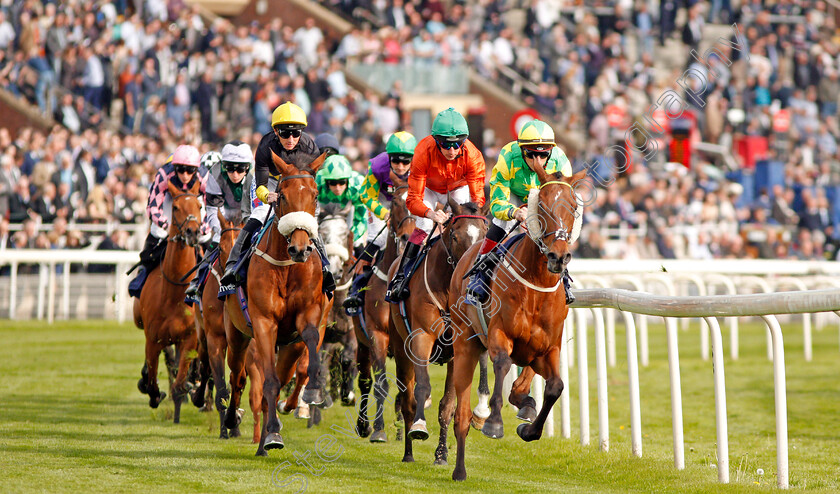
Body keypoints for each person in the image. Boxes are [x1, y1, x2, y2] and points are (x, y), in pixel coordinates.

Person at [219, 102, 335, 294]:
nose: (290, 139)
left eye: (295, 133)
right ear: (275, 131)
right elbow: (261, 185)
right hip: (272, 182)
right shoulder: (265, 146)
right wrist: (267, 196)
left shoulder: (309, 146)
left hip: (297, 184)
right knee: (259, 215)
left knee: (309, 219)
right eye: (284, 133)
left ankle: (325, 266)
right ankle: (233, 265)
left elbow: (310, 182)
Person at [464, 119, 575, 305]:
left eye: (543, 155)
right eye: (531, 155)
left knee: (557, 226)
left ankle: (564, 277)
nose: (538, 162)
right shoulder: (507, 157)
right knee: (501, 223)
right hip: (514, 196)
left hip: (543, 196)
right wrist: (514, 212)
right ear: (522, 150)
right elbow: (498, 203)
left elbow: (565, 202)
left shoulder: (561, 162)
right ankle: (480, 274)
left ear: (551, 152)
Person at [385, 108, 486, 302]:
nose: (452, 150)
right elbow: (412, 199)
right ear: (435, 141)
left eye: (457, 144)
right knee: (422, 227)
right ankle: (401, 277)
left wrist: (461, 215)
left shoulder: (473, 155)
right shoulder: (423, 151)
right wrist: (431, 214)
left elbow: (477, 200)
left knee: (468, 224)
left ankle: (480, 274)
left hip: (458, 189)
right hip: (430, 189)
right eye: (445, 145)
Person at [342, 130, 416, 311]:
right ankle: (357, 289)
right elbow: (366, 195)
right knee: (379, 238)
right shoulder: (378, 166)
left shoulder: (421, 167)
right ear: (389, 158)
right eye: (396, 161)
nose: (400, 166)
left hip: (410, 203)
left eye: (406, 161)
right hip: (382, 202)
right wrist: (383, 213)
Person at [128, 145, 211, 298]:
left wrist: (204, 227)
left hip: (195, 200)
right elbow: (153, 205)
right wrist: (165, 225)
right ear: (174, 168)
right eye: (180, 169)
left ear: (196, 170)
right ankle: (142, 273)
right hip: (170, 198)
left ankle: (213, 277)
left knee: (205, 237)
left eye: (190, 170)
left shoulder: (204, 177)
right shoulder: (164, 174)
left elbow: (212, 205)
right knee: (157, 231)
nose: (185, 175)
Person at [184, 142, 254, 303]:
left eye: (240, 169)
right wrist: (222, 231)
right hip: (224, 217)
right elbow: (212, 210)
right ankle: (197, 283)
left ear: (248, 167)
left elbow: (258, 209)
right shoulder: (214, 175)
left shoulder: (256, 176)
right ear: (224, 166)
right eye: (230, 169)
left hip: (248, 216)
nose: (235, 174)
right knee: (216, 243)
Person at [315, 154, 367, 246]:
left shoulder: (357, 186)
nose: (338, 187)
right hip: (322, 216)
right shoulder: (316, 183)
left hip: (347, 215)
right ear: (326, 182)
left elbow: (361, 219)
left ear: (347, 180)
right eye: (333, 183)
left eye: (342, 182)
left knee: (358, 244)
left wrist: (349, 239)